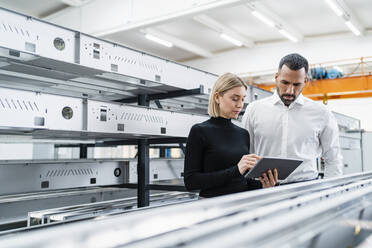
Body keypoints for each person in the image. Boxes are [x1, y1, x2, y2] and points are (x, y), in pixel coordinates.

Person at [242, 53, 343, 183]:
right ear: (276, 77)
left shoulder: (322, 113)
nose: (290, 91)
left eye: (297, 85)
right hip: (262, 188)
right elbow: (245, 154)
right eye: (285, 83)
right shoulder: (254, 110)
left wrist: (330, 191)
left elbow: (333, 157)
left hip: (306, 188)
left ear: (305, 81)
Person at [184, 73, 278, 198]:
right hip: (212, 206)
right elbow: (191, 182)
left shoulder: (243, 134)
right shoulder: (200, 131)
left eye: (243, 99)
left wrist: (263, 185)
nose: (240, 105)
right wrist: (237, 169)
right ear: (217, 97)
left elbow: (240, 182)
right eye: (235, 98)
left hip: (241, 203)